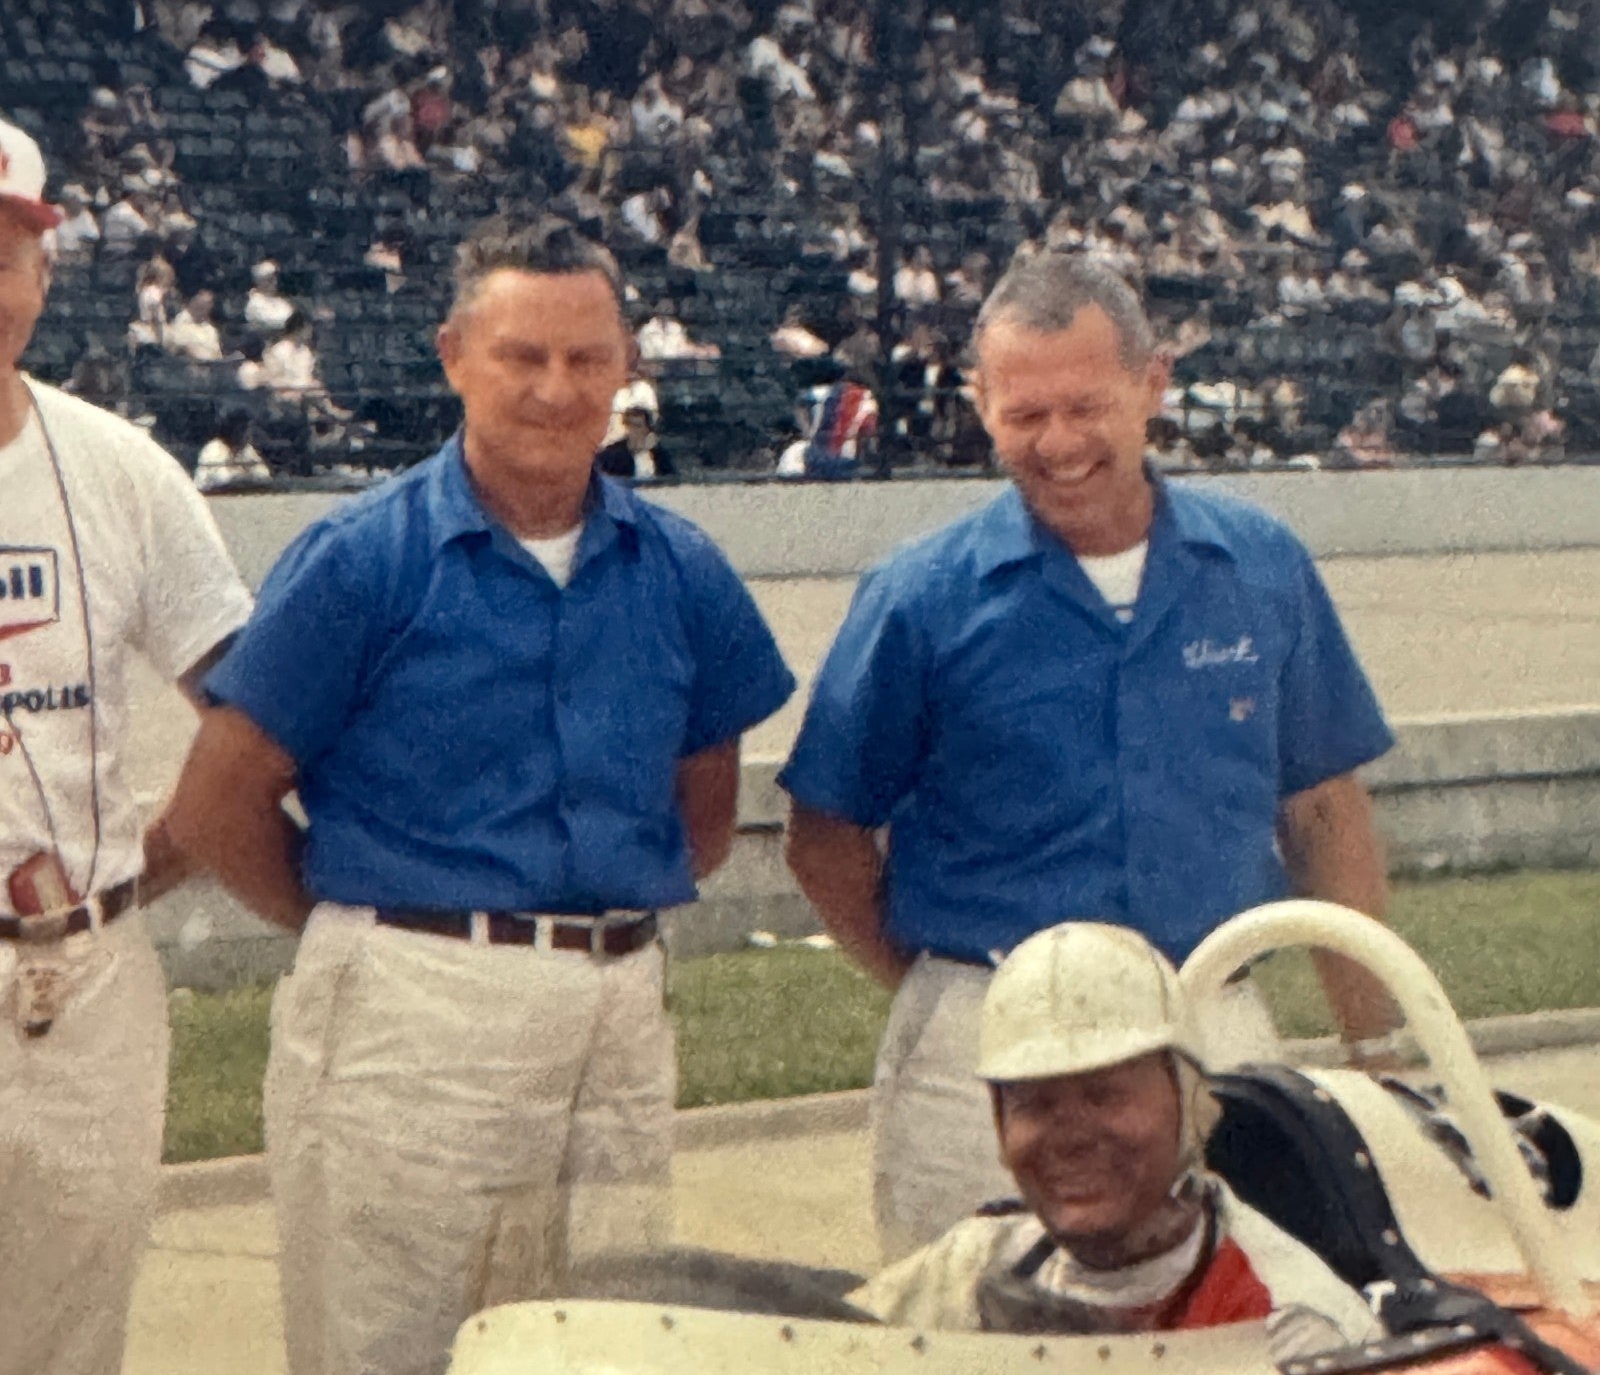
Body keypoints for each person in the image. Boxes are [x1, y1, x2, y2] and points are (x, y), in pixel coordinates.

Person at [159, 214, 795, 1375]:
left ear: (624, 368)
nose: (556, 390)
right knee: (394, 1349)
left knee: (605, 1341)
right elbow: (216, 803)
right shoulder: (363, 558)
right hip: (414, 1003)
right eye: (522, 356)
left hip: (617, 999)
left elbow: (702, 813)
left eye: (586, 358)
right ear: (454, 354)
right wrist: (366, 927)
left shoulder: (682, 567)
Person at [781, 253, 1397, 1263]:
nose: (1058, 444)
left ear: (1152, 384)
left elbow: (1325, 813)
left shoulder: (1261, 565)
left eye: (1086, 407)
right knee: (972, 1337)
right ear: (978, 402)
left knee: (1241, 1329)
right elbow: (824, 835)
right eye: (1023, 416)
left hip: (1213, 1024)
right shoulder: (918, 595)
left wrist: (1373, 1050)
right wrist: (939, 990)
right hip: (985, 1041)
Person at [0, 117, 252, 1375]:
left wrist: (146, 865)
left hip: (79, 980)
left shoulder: (120, 470)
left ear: (42, 275)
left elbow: (247, 714)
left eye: (1, 255)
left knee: (69, 1331)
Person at [851, 922, 1381, 1358]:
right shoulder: (974, 1266)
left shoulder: (1289, 1326)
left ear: (1189, 1107)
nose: (1070, 1137)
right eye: (1034, 1104)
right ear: (999, 1126)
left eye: (1104, 1096)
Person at [194, 407, 271, 491]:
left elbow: (264, 475)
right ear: (231, 429)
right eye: (242, 428)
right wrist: (246, 475)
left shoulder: (246, 449)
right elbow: (223, 480)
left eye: (248, 429)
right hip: (208, 498)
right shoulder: (214, 449)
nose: (247, 434)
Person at [597, 404, 676, 480]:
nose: (632, 431)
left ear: (647, 429)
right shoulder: (612, 455)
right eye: (629, 426)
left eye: (637, 426)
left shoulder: (659, 455)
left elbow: (671, 480)